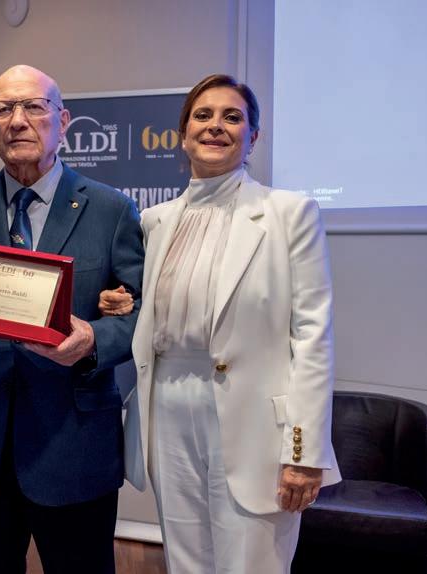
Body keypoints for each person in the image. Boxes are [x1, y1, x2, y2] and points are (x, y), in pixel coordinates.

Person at [101, 74, 341, 573]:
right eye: (203, 116)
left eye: (232, 117)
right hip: (166, 408)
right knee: (185, 562)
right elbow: (155, 308)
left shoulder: (289, 214)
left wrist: (303, 451)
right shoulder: (154, 220)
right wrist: (119, 305)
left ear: (253, 137)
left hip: (257, 426)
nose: (216, 126)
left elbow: (312, 338)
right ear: (183, 134)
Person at [0, 65, 144, 574]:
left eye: (33, 107)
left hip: (74, 446)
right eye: (3, 109)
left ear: (63, 121)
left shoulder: (111, 210)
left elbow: (142, 314)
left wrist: (94, 338)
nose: (17, 120)